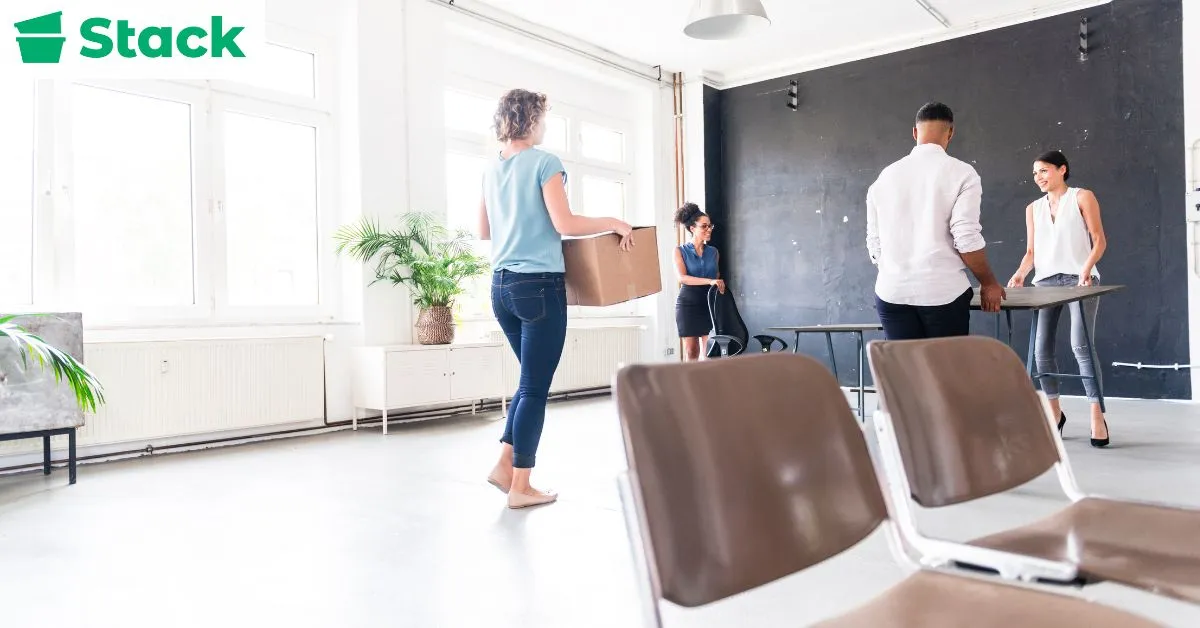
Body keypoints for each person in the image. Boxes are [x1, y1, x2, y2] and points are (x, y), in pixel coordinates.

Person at [477, 88, 634, 508]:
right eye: (543, 117)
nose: (544, 125)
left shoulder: (491, 170)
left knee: (528, 382)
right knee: (534, 387)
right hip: (538, 288)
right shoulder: (545, 162)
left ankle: (504, 464)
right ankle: (522, 486)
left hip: (501, 288)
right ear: (530, 119)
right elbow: (564, 222)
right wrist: (612, 221)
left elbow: (484, 231)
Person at [866, 101, 1005, 340]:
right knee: (946, 374)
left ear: (914, 132)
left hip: (891, 292)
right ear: (950, 132)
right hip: (942, 293)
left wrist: (897, 271)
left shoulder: (885, 176)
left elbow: (873, 241)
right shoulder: (962, 173)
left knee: (904, 374)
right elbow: (965, 237)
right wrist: (989, 283)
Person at [1006, 150, 1109, 447]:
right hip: (1046, 281)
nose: (1038, 177)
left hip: (1080, 278)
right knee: (1041, 350)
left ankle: (1096, 415)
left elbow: (1099, 239)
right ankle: (1054, 414)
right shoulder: (1033, 208)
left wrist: (1086, 269)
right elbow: (1031, 253)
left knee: (1081, 345)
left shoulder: (1081, 197)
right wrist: (1020, 274)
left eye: (1044, 170)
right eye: (1035, 173)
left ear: (1062, 169)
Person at [672, 203, 723, 361]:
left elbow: (717, 275)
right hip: (689, 303)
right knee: (691, 352)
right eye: (704, 226)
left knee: (710, 351)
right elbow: (682, 278)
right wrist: (710, 281)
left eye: (710, 226)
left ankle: (706, 385)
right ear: (692, 229)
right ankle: (689, 385)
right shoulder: (680, 251)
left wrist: (719, 284)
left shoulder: (713, 252)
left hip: (709, 303)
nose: (709, 229)